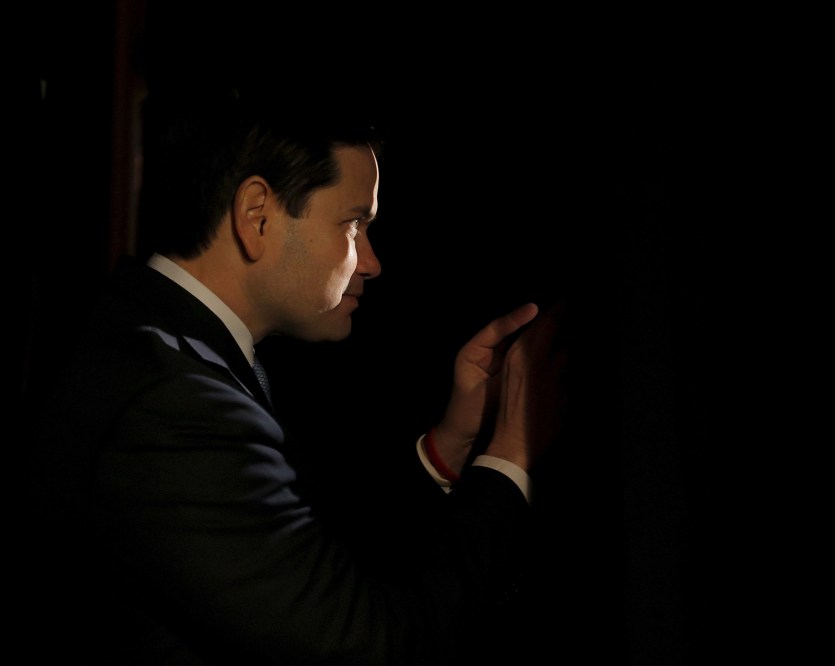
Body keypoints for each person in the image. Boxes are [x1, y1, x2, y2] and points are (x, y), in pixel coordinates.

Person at [21, 85, 568, 665]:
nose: (373, 261)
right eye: (354, 225)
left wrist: (446, 449)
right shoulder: (173, 403)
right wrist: (512, 452)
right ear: (256, 216)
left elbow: (305, 564)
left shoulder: (167, 350)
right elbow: (369, 646)